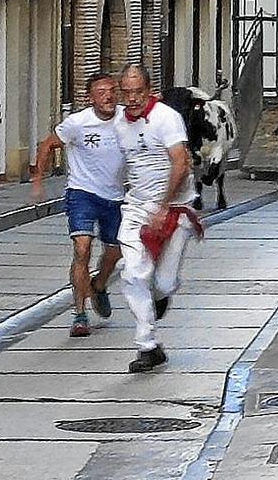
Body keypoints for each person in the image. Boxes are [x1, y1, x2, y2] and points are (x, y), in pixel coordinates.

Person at [114, 64, 203, 373]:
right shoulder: (118, 123)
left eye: (138, 92)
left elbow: (180, 163)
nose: (133, 98)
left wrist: (164, 205)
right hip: (137, 207)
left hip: (175, 208)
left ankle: (158, 297)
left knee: (163, 282)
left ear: (149, 90)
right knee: (133, 273)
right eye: (127, 92)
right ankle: (147, 345)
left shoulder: (167, 118)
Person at [32, 73, 125, 337]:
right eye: (101, 92)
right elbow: (49, 144)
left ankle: (99, 285)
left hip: (115, 196)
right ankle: (80, 314)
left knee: (115, 251)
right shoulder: (77, 123)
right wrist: (38, 179)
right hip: (82, 192)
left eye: (111, 90)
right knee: (82, 248)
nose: (108, 96)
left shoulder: (126, 118)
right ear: (90, 98)